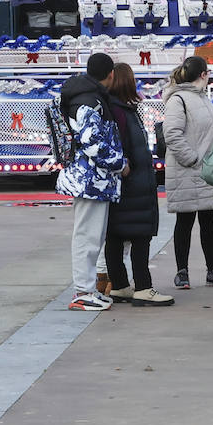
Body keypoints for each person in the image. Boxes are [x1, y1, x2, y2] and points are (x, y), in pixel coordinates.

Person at [56, 53, 128, 311]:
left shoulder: (86, 97)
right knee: (87, 236)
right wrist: (120, 163)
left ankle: (86, 289)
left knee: (91, 237)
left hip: (93, 180)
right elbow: (92, 142)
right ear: (110, 75)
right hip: (90, 181)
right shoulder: (89, 102)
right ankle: (82, 292)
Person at [102, 61, 174, 306]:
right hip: (134, 185)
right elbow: (121, 146)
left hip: (124, 186)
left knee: (115, 237)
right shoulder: (123, 112)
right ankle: (143, 286)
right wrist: (127, 167)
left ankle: (120, 285)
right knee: (140, 237)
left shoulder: (115, 109)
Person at [163, 56, 213, 290]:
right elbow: (172, 133)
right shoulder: (179, 99)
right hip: (187, 171)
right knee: (185, 221)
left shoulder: (202, 98)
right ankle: (182, 272)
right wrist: (192, 159)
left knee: (208, 221)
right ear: (203, 74)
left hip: (204, 172)